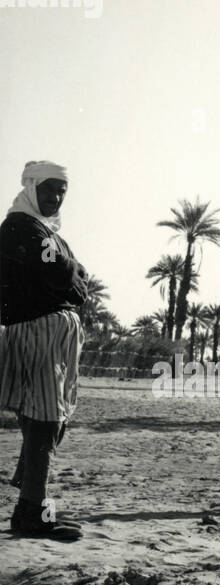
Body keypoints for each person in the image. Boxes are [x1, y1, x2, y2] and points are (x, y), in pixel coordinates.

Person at [0, 160, 87, 542]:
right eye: (48, 190)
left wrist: (72, 275)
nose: (54, 198)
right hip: (37, 334)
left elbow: (72, 277)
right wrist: (73, 274)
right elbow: (64, 275)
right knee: (46, 423)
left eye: (60, 192)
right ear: (31, 188)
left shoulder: (41, 230)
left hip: (49, 335)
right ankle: (32, 514)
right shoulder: (22, 227)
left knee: (48, 423)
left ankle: (32, 508)